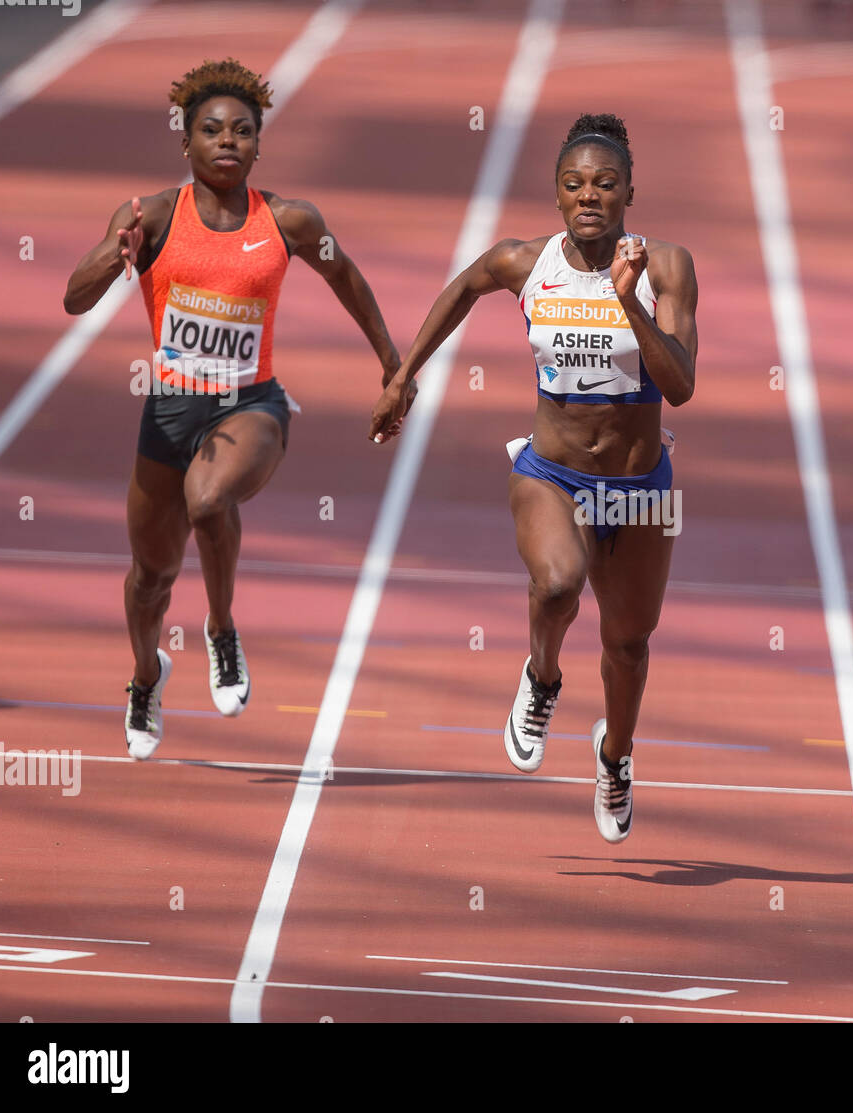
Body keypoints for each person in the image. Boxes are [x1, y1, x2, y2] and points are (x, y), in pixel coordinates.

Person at [370, 113, 697, 843]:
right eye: (575, 183)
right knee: (555, 584)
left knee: (629, 645)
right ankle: (542, 678)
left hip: (642, 487)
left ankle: (614, 755)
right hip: (551, 471)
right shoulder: (525, 262)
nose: (590, 196)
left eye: (606, 184)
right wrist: (403, 377)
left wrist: (626, 302)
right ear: (556, 195)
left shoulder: (667, 266)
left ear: (629, 193)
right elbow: (462, 288)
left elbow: (680, 386)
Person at [64, 59, 400, 759]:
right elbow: (75, 294)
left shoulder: (289, 220)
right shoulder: (152, 215)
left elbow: (348, 277)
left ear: (258, 145)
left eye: (243, 131)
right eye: (212, 130)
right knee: (148, 578)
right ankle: (146, 675)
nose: (228, 141)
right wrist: (114, 256)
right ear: (185, 144)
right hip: (168, 412)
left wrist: (394, 366)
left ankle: (221, 630)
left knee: (209, 500)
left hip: (252, 404)